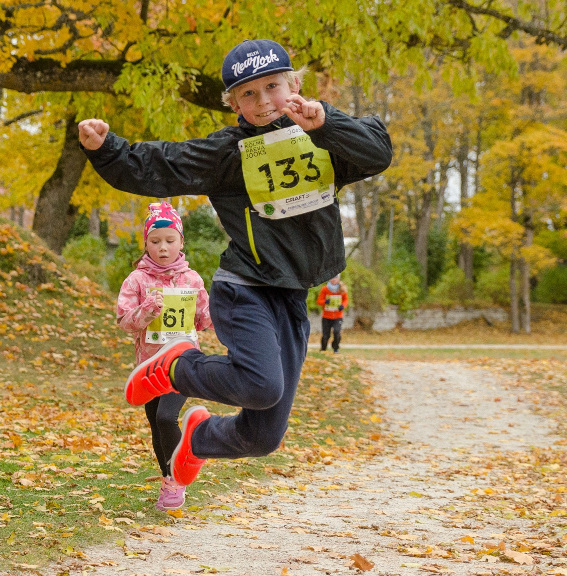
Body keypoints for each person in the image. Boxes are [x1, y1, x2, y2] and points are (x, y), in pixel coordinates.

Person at [79, 38, 392, 487]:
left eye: (273, 86)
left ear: (295, 84)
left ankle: (196, 440)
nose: (264, 101)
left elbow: (378, 151)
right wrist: (108, 149)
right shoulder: (229, 153)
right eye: (249, 94)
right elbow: (162, 163)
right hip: (243, 288)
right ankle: (173, 367)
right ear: (234, 104)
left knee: (263, 436)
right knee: (263, 386)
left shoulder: (323, 137)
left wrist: (326, 122)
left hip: (289, 295)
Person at [117, 201, 212, 511]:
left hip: (183, 362)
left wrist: (222, 314)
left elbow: (204, 320)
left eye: (170, 240)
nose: (162, 247)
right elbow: (124, 321)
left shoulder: (193, 280)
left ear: (181, 242)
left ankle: (180, 474)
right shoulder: (137, 281)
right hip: (148, 367)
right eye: (155, 241)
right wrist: (147, 311)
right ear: (146, 243)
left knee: (166, 416)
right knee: (157, 425)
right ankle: (169, 482)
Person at [317, 275, 348, 353]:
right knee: (325, 335)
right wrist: (325, 302)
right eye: (332, 278)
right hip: (326, 316)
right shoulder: (325, 289)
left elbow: (346, 300)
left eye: (335, 278)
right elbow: (319, 301)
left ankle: (335, 348)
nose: (334, 280)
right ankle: (323, 348)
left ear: (338, 279)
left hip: (338, 316)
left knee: (337, 332)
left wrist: (342, 305)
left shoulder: (342, 289)